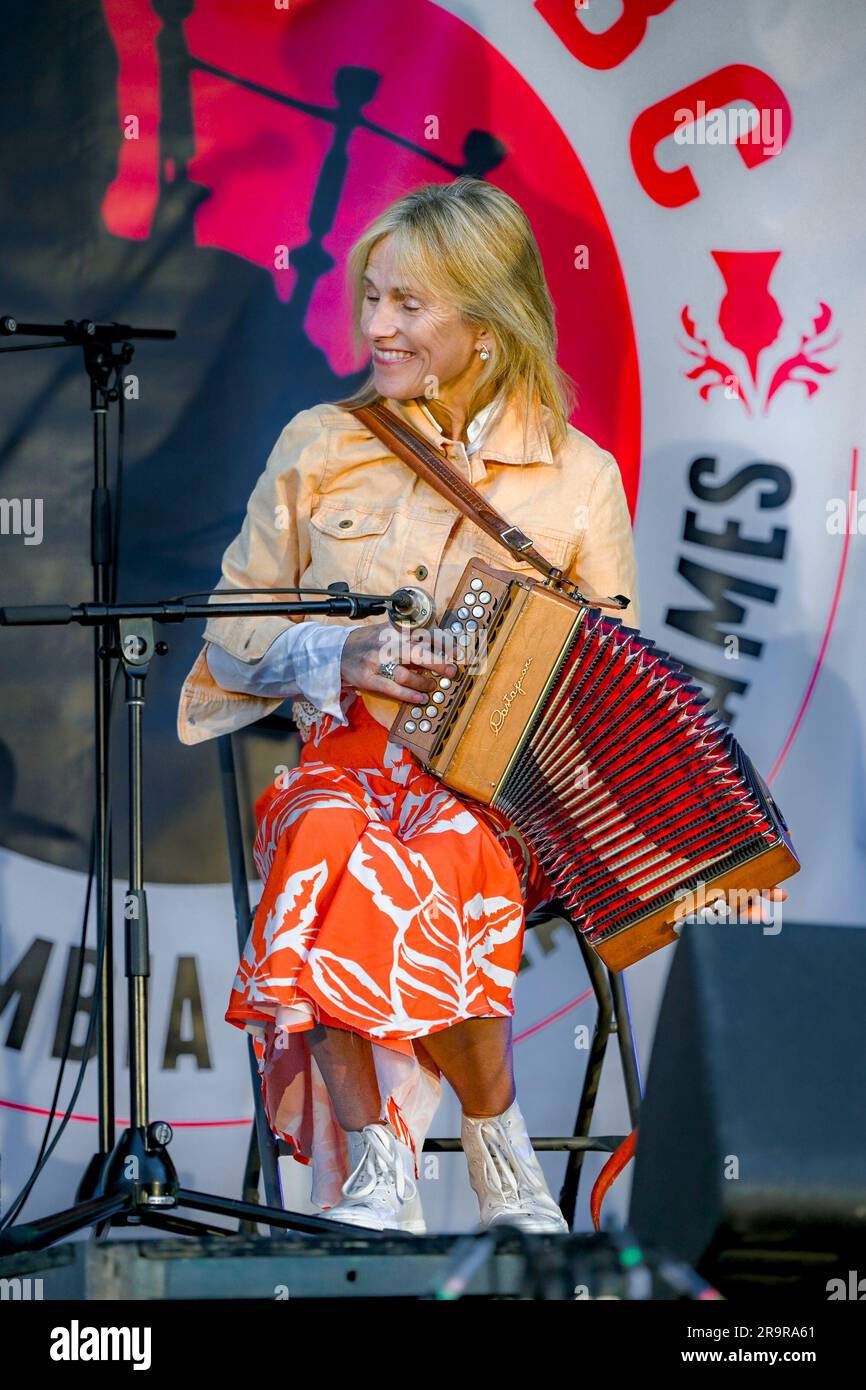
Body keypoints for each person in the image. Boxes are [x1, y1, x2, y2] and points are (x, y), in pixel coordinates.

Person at [176, 177, 780, 1235]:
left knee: (443, 845)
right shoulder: (319, 443)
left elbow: (608, 669)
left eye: (406, 304)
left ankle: (494, 1144)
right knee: (323, 833)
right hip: (344, 765)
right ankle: (380, 1166)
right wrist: (338, 648)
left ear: (485, 315)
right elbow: (230, 631)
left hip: (506, 796)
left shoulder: (576, 475)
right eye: (369, 297)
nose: (373, 326)